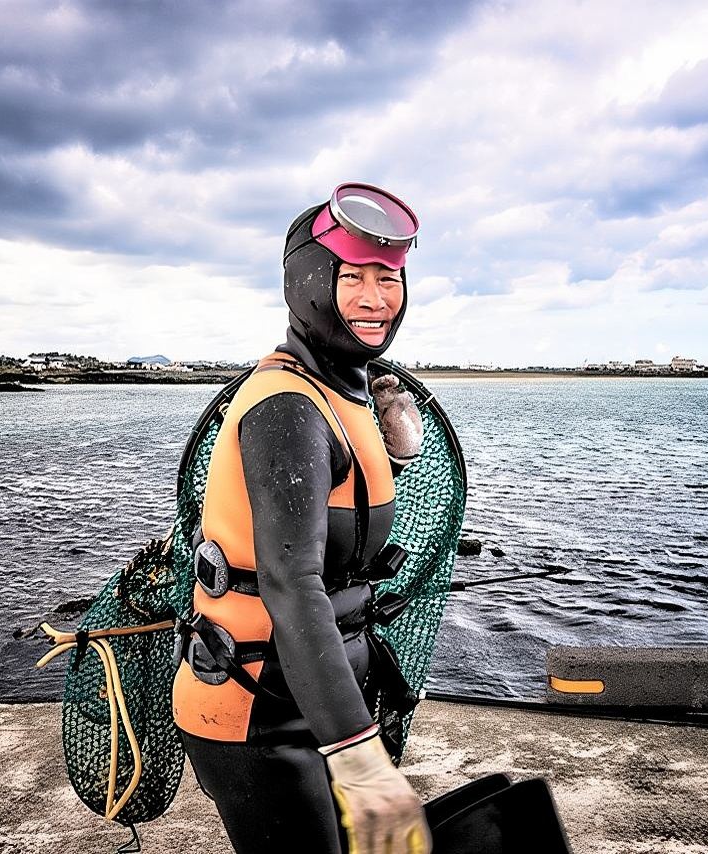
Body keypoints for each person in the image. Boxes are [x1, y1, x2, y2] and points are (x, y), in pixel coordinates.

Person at [171, 183, 430, 854]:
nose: (376, 298)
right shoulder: (286, 405)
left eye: (390, 279)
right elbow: (290, 583)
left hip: (315, 694)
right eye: (353, 278)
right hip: (257, 709)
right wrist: (361, 759)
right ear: (309, 283)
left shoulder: (343, 391)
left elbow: (341, 519)